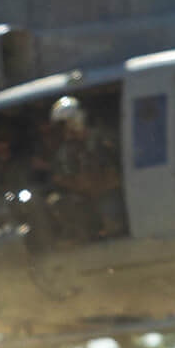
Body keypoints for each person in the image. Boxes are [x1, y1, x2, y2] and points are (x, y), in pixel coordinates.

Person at [43, 94, 122, 240]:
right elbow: (60, 178)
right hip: (84, 199)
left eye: (68, 123)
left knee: (111, 210)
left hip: (109, 193)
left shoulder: (101, 139)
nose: (67, 129)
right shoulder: (64, 151)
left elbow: (113, 171)